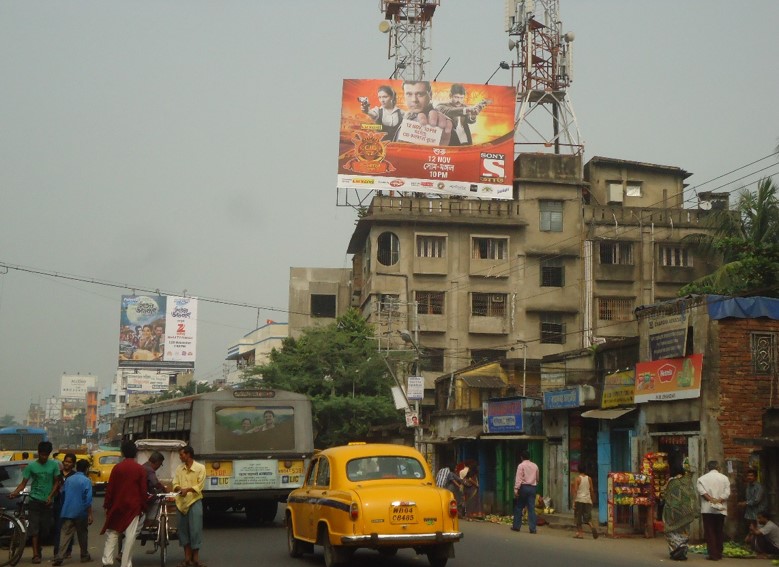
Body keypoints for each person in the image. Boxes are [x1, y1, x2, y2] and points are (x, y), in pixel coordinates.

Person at [9, 440, 60, 564]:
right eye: (42, 454)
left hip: (47, 502)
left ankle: (39, 547)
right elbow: (23, 483)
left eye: (46, 455)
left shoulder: (53, 465)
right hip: (34, 501)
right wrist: (14, 493)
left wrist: (50, 496)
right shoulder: (31, 466)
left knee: (46, 529)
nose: (43, 457)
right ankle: (35, 554)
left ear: (49, 454)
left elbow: (57, 482)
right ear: (38, 453)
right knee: (34, 529)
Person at [101, 440, 148, 567]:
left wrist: (107, 505)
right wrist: (144, 505)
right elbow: (143, 490)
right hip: (133, 506)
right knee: (130, 536)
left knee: (113, 533)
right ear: (135, 453)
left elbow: (110, 488)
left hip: (117, 505)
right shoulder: (140, 469)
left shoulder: (117, 468)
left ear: (122, 453)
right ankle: (125, 563)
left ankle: (107, 560)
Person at [51, 459, 93, 566]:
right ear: (86, 469)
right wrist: (90, 514)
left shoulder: (69, 479)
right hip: (81, 512)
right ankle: (84, 555)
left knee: (65, 534)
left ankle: (59, 557)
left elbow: (62, 493)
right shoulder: (86, 480)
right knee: (82, 534)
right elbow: (88, 500)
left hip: (67, 511)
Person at [173, 445, 206, 567]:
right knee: (183, 531)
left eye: (182, 454)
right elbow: (175, 482)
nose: (180, 457)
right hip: (181, 503)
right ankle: (187, 558)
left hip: (194, 501)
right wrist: (179, 488)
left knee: (195, 530)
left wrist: (188, 490)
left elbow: (200, 486)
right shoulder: (179, 468)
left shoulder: (200, 468)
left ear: (188, 455)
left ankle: (195, 558)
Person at [662, 457, 699, 561]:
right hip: (686, 511)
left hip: (672, 511)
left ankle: (676, 551)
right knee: (684, 531)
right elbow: (692, 495)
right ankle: (682, 552)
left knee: (671, 531)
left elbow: (665, 494)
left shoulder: (672, 481)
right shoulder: (687, 481)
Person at [395, 80, 453, 146]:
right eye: (409, 94)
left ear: (430, 95)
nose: (414, 99)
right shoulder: (406, 117)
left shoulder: (443, 126)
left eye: (420, 94)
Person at [697, 460, 730, 561]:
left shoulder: (701, 479)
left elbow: (702, 492)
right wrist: (718, 501)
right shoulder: (725, 478)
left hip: (707, 509)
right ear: (718, 468)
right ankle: (719, 553)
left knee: (709, 531)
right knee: (719, 530)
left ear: (707, 468)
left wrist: (711, 500)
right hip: (721, 509)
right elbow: (727, 493)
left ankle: (713, 554)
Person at [51, 452, 77, 560]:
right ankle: (57, 552)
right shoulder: (58, 474)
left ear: (73, 464)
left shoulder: (75, 476)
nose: (67, 464)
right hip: (58, 504)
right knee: (58, 528)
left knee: (69, 528)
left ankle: (68, 551)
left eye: (70, 462)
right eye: (66, 461)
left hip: (70, 505)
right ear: (63, 462)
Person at [511, 451, 539, 534]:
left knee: (519, 506)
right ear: (529, 457)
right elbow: (537, 478)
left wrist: (516, 489)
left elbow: (518, 478)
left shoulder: (521, 465)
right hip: (532, 488)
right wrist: (534, 483)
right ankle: (532, 528)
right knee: (531, 508)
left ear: (521, 457)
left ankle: (516, 526)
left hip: (523, 487)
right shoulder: (535, 466)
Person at [572, 465, 598, 540]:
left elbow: (576, 491)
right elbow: (592, 490)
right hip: (587, 500)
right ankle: (592, 526)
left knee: (578, 517)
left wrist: (574, 501)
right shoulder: (589, 478)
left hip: (579, 500)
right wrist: (593, 499)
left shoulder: (577, 479)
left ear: (578, 470)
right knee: (588, 517)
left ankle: (580, 534)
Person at [142, 451, 166, 528]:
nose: (159, 467)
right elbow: (155, 483)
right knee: (157, 500)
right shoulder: (150, 470)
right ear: (157, 462)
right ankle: (150, 520)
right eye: (160, 464)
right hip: (145, 496)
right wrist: (163, 488)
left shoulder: (143, 466)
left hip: (141, 494)